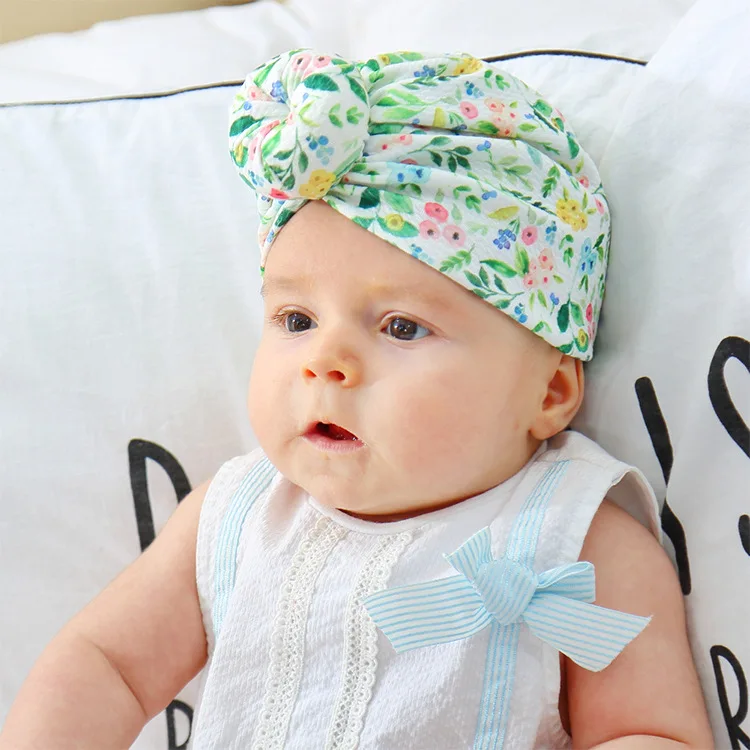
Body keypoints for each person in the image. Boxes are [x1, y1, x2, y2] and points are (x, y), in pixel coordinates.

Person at [0, 49, 713, 750]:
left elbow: (649, 731)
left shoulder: (574, 543)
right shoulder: (236, 518)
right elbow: (108, 665)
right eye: (296, 320)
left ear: (549, 392)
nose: (325, 362)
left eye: (401, 327)